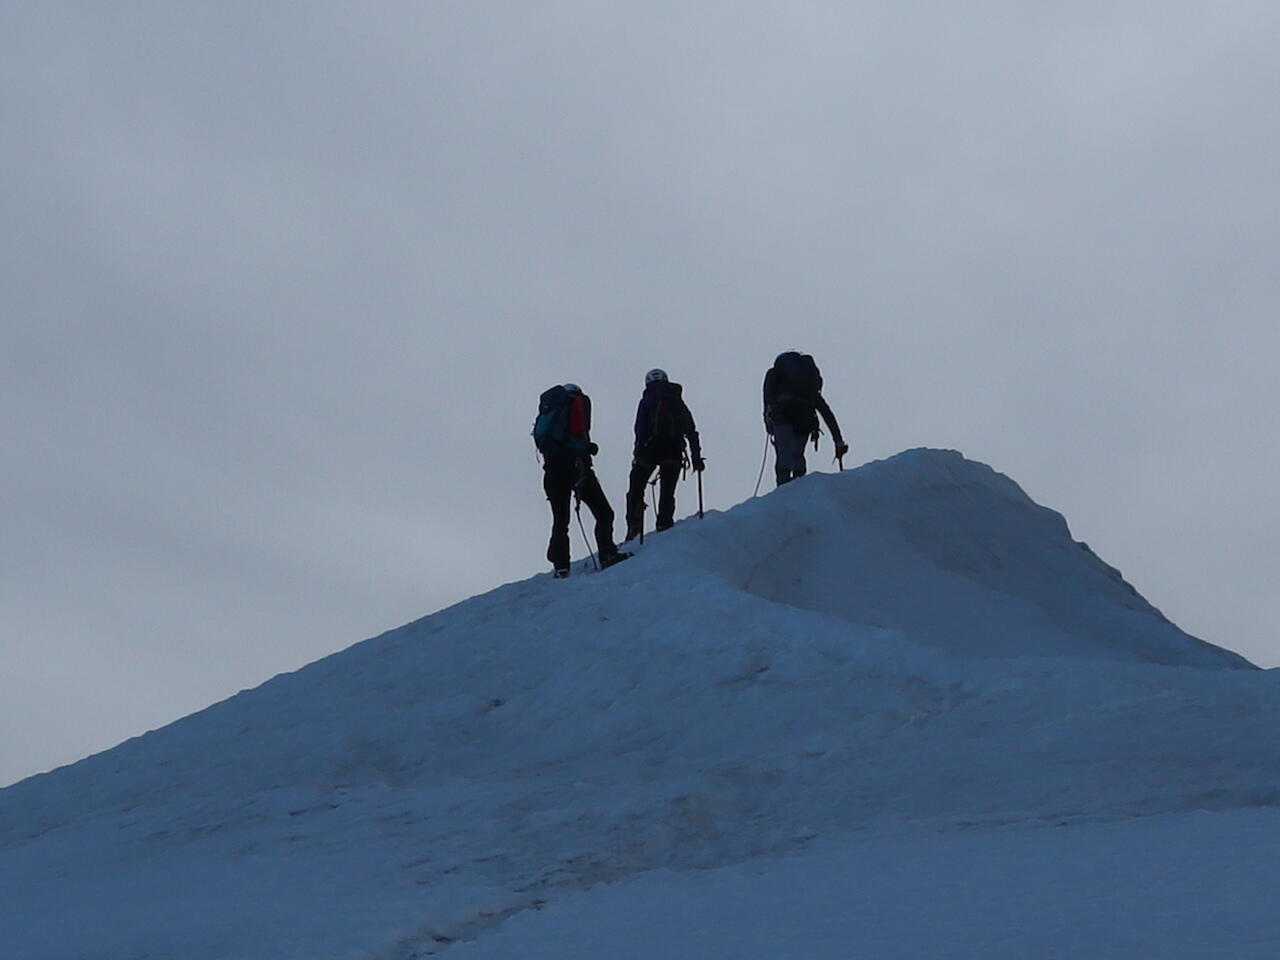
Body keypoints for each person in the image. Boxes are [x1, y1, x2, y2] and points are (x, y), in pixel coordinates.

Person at [532, 383, 629, 578]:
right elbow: (577, 439)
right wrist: (587, 448)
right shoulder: (575, 406)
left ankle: (561, 565)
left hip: (552, 472)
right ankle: (607, 554)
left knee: (561, 520)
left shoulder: (550, 414)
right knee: (604, 513)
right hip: (577, 469)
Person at [624, 369, 704, 541]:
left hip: (650, 449)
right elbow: (691, 430)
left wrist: (638, 449)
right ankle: (664, 523)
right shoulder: (677, 400)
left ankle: (634, 526)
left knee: (636, 486)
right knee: (667, 490)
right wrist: (696, 457)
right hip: (673, 450)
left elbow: (640, 427)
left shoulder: (647, 400)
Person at [762, 351, 849, 486]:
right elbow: (827, 414)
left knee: (783, 454)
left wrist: (768, 423)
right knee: (797, 454)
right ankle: (800, 486)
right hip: (805, 419)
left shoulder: (775, 378)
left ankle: (783, 489)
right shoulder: (809, 391)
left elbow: (767, 400)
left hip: (782, 416)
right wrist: (838, 441)